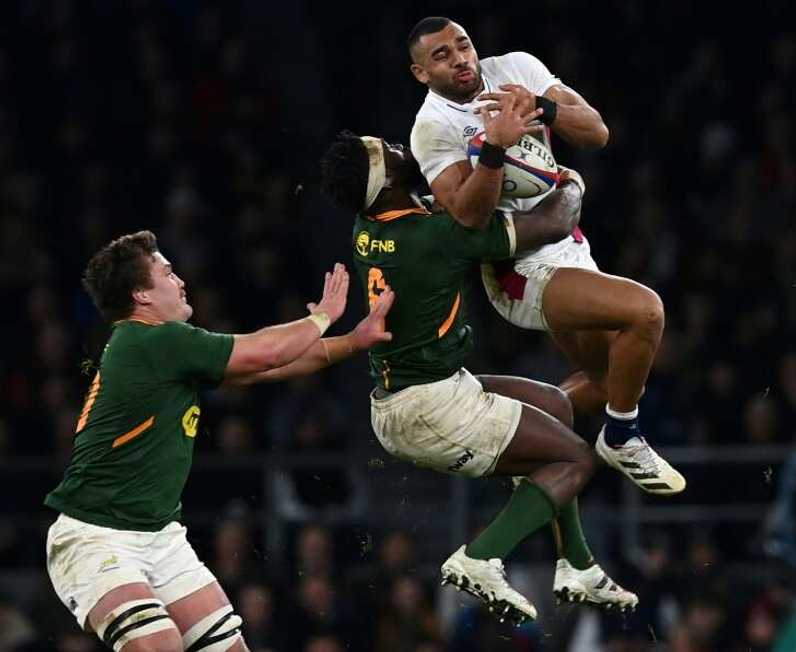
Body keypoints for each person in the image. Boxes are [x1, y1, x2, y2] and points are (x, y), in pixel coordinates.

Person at [319, 129, 638, 624]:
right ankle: (481, 556)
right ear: (383, 182)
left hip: (424, 389)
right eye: (389, 151)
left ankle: (577, 565)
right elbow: (553, 222)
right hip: (429, 407)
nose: (402, 148)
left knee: (555, 405)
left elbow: (438, 203)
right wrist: (568, 179)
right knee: (577, 460)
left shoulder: (370, 222)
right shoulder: (436, 238)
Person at [44, 230, 393, 651]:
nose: (181, 281)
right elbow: (264, 353)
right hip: (95, 535)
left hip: (159, 536)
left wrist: (354, 341)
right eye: (168, 274)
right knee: (160, 646)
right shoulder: (153, 340)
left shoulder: (163, 349)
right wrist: (322, 317)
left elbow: (266, 369)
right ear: (142, 295)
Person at [406, 16, 684, 494]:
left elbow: (596, 133)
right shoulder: (432, 129)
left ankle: (524, 439)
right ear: (421, 74)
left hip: (570, 245)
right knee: (646, 312)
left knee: (607, 381)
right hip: (520, 272)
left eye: (463, 46)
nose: (460, 60)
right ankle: (621, 437)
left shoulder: (517, 68)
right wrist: (495, 147)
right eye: (442, 56)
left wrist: (542, 108)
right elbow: (469, 219)